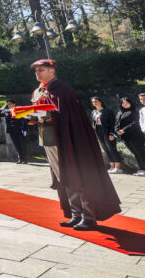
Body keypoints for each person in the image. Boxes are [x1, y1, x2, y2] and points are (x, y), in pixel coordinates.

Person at [28, 59, 120, 230]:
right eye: (36, 71)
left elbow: (63, 114)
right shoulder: (38, 91)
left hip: (67, 140)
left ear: (52, 71)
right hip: (49, 140)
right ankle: (75, 214)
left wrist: (41, 113)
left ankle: (88, 216)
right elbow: (41, 114)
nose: (38, 73)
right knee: (65, 178)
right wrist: (27, 115)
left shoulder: (63, 90)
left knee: (77, 175)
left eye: (41, 70)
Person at [114, 97, 145, 176]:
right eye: (123, 103)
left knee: (140, 152)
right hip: (125, 137)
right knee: (135, 153)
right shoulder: (120, 112)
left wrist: (123, 130)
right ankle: (141, 169)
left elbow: (135, 123)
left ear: (131, 103)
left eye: (126, 102)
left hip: (135, 136)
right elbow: (117, 123)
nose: (124, 104)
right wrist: (117, 130)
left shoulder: (134, 112)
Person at [91, 97, 123, 174]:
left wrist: (112, 134)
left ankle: (118, 168)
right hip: (99, 132)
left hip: (108, 132)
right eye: (93, 102)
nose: (94, 103)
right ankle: (112, 166)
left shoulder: (108, 111)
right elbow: (93, 123)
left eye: (96, 101)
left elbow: (113, 123)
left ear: (100, 102)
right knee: (106, 149)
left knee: (112, 148)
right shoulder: (93, 112)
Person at [1, 99, 29, 164]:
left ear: (14, 104)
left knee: (22, 145)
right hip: (11, 131)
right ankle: (20, 159)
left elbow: (25, 120)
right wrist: (3, 106)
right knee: (16, 145)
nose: (9, 105)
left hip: (20, 130)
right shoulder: (6, 112)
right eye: (8, 104)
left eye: (10, 104)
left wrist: (25, 130)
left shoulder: (19, 110)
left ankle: (25, 159)